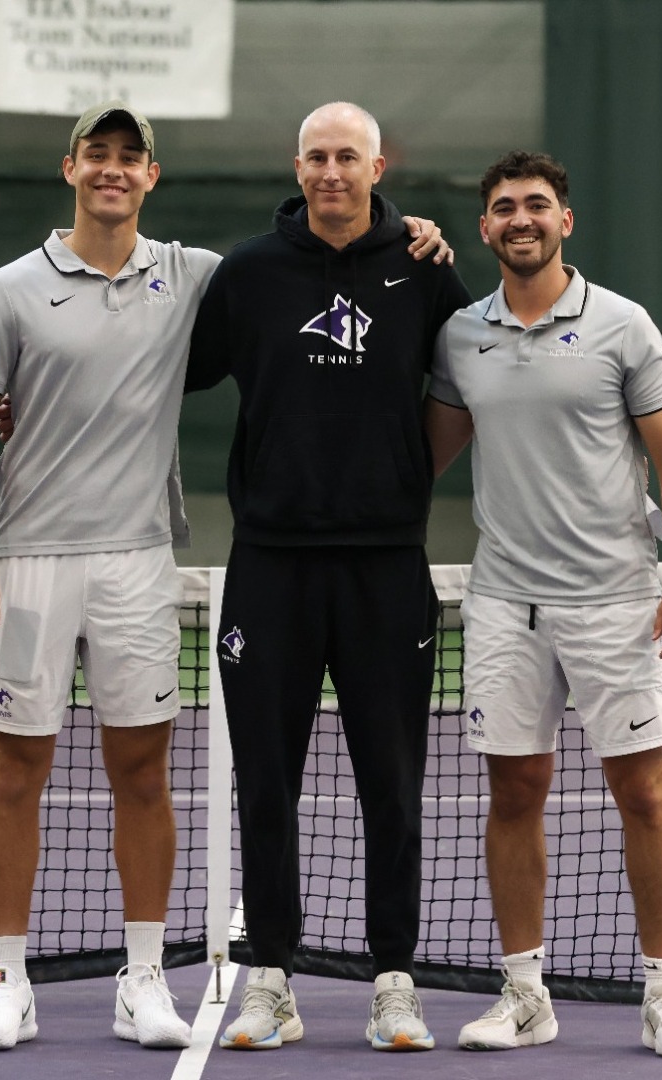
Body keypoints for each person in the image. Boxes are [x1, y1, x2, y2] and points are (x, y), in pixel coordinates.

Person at [0, 101, 449, 1054]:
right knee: (38, 773)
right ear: (70, 169)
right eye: (98, 155)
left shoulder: (229, 275)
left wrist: (419, 232)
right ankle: (20, 981)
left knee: (169, 774)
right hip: (62, 560)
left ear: (151, 176)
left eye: (129, 158)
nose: (113, 170)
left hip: (179, 559)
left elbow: (445, 359)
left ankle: (172, 981)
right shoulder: (35, 287)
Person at [183, 101, 473, 1053]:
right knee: (267, 783)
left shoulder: (427, 270)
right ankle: (271, 976)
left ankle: (395, 981)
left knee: (391, 784)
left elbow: (468, 387)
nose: (332, 171)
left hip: (388, 567)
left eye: (349, 155)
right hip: (269, 565)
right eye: (317, 156)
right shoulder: (249, 274)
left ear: (379, 165)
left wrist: (389, 485)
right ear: (295, 165)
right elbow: (158, 372)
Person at [422, 150, 662, 1058]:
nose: (521, 219)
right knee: (513, 790)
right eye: (505, 207)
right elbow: (420, 457)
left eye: (537, 205)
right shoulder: (460, 336)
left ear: (565, 221)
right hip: (506, 601)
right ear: (484, 228)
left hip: (617, 601)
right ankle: (523, 994)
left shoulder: (623, 326)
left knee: (644, 794)